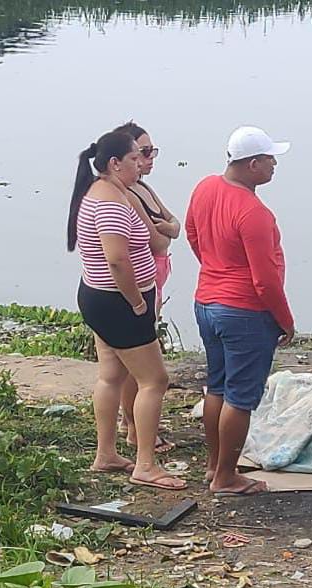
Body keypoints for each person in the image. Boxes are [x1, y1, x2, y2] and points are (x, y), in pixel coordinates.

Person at [67, 130, 185, 491]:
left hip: (98, 296)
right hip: (117, 302)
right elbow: (117, 260)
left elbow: (155, 236)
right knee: (154, 380)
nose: (141, 164)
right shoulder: (110, 203)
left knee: (111, 375)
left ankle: (106, 454)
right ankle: (145, 464)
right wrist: (136, 301)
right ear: (114, 163)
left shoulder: (106, 191)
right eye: (135, 158)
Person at [185, 126, 295, 496]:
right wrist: (285, 320)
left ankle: (215, 464)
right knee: (240, 396)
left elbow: (192, 233)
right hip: (243, 311)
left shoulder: (205, 188)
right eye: (269, 159)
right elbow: (264, 280)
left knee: (216, 385)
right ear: (251, 165)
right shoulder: (254, 213)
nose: (275, 164)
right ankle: (227, 477)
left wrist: (215, 266)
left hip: (207, 302)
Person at [114, 121, 181, 454]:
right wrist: (167, 231)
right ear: (126, 157)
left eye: (153, 150)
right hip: (145, 278)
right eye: (144, 152)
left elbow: (175, 225)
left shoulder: (144, 188)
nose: (150, 157)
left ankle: (135, 424)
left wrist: (168, 228)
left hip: (157, 274)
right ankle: (133, 426)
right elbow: (157, 240)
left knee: (141, 350)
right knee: (138, 358)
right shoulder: (126, 195)